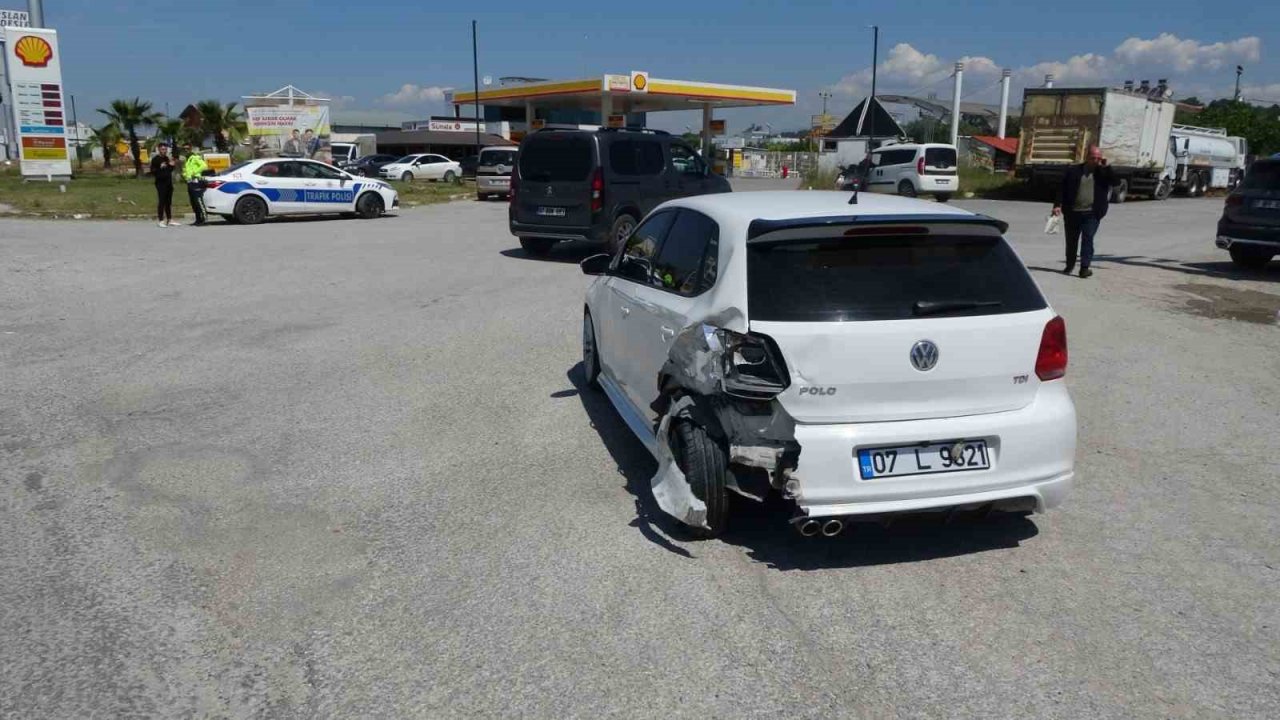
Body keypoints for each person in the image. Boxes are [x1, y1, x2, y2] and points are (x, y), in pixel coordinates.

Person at [1052, 145, 1115, 278]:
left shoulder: (1102, 172)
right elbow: (1061, 188)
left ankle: (1084, 268)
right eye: (1093, 158)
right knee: (1071, 241)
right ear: (1087, 157)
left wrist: (1107, 168)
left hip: (1092, 213)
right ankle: (1070, 264)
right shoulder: (1074, 171)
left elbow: (1116, 182)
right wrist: (1057, 205)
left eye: (1099, 158)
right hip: (1072, 212)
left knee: (1088, 239)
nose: (1096, 161)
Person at [150, 142, 177, 228]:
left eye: (165, 149)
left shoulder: (166, 158)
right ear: (159, 150)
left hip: (168, 183)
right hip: (160, 183)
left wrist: (172, 166)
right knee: (162, 201)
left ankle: (169, 219)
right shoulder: (155, 159)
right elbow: (153, 171)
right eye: (162, 149)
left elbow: (169, 170)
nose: (164, 151)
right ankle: (161, 220)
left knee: (168, 202)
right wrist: (159, 168)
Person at [182, 144, 210, 226]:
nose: (186, 150)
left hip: (196, 181)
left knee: (198, 201)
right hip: (190, 182)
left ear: (191, 149)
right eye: (184, 149)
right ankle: (198, 219)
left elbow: (204, 166)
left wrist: (195, 172)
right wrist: (184, 175)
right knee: (193, 202)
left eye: (187, 148)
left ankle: (204, 219)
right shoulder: (187, 160)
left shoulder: (195, 157)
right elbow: (187, 170)